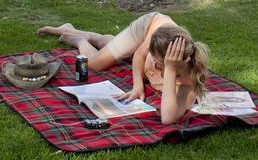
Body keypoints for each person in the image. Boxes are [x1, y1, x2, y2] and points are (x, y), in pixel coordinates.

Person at [37, 12, 209, 125]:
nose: (155, 65)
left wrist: (170, 70)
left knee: (113, 47)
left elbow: (168, 118)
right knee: (96, 63)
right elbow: (139, 56)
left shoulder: (189, 80)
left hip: (162, 43)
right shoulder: (159, 37)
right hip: (150, 24)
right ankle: (79, 39)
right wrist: (137, 86)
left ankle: (84, 35)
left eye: (158, 62)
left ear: (173, 62)